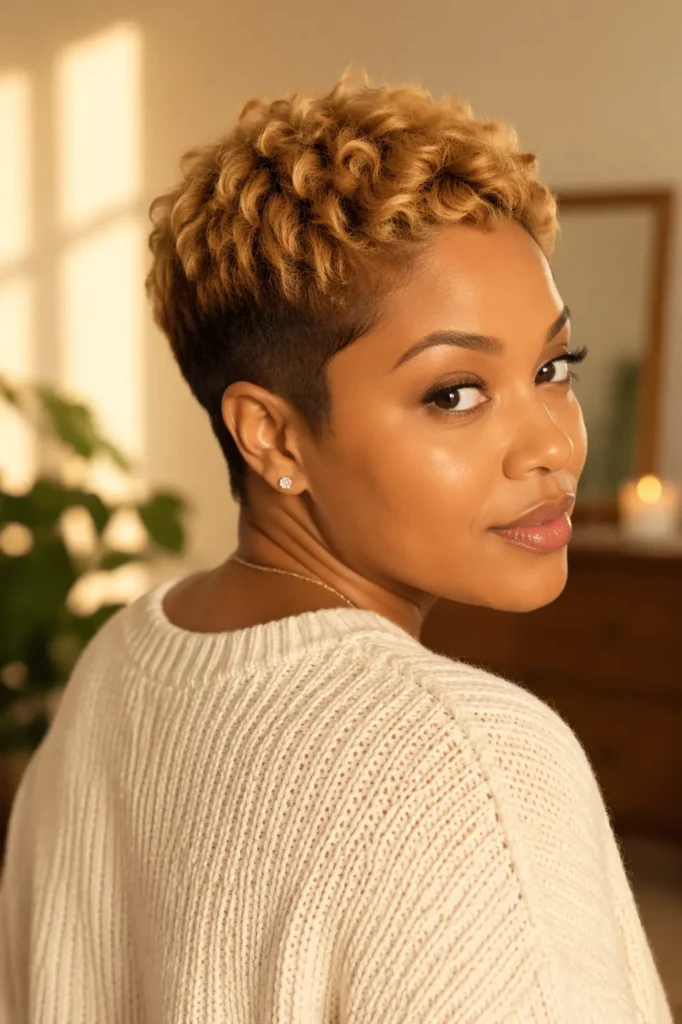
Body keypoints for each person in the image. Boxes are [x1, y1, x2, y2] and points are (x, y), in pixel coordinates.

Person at [0, 68, 673, 1023]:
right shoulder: (466, 762)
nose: (559, 446)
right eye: (455, 393)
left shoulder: (125, 657)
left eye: (553, 368)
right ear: (272, 437)